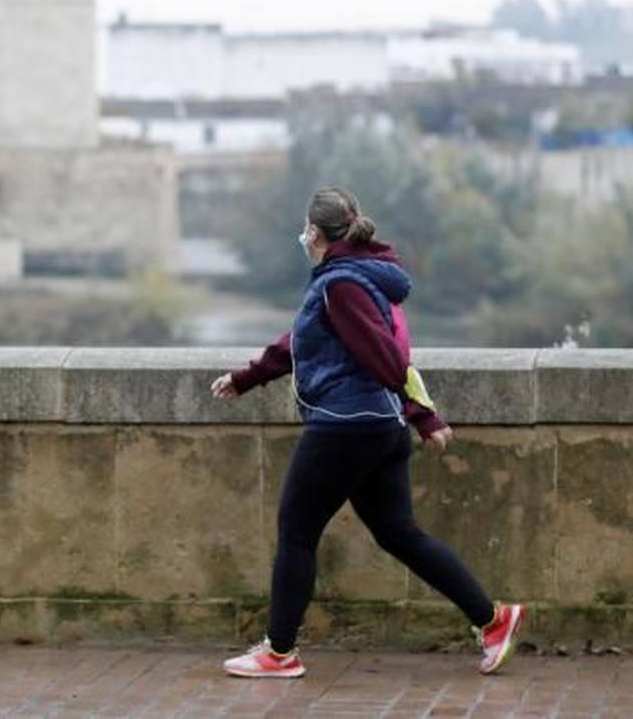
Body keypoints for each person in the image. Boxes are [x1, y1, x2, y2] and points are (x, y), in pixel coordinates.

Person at [210, 186, 523, 679]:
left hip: (346, 427)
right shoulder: (355, 278)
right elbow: (302, 343)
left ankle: (279, 652)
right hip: (378, 427)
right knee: (399, 533)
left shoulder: (342, 286)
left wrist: (423, 415)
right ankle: (493, 620)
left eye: (305, 229)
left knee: (296, 531)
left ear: (314, 232)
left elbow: (387, 356)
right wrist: (247, 377)